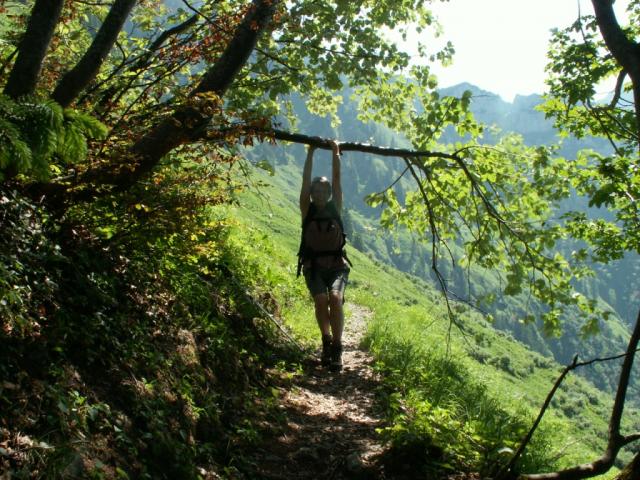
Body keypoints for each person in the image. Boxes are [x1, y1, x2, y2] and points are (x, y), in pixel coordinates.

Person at [298, 140, 350, 372]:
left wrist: (335, 152)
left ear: (329, 194)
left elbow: (337, 180)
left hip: (337, 264)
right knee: (321, 300)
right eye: (315, 191)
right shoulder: (306, 210)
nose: (319, 195)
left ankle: (337, 347)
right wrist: (310, 153)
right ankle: (326, 340)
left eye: (323, 192)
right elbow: (304, 180)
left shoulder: (334, 207)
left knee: (336, 299)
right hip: (313, 266)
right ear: (311, 194)